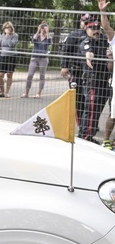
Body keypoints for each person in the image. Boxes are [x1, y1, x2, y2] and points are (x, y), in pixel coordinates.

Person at [78, 17, 111, 143]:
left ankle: (90, 135)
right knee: (90, 110)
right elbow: (88, 52)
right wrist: (89, 57)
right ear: (87, 29)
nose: (95, 31)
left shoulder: (103, 40)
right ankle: (85, 137)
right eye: (92, 28)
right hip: (93, 82)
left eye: (97, 28)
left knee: (97, 110)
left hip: (104, 81)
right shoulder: (86, 42)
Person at [61, 14, 93, 124]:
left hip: (91, 73)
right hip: (77, 71)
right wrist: (64, 66)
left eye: (89, 22)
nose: (86, 24)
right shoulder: (74, 35)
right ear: (81, 22)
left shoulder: (95, 35)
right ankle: (81, 123)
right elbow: (66, 50)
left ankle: (89, 123)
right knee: (78, 98)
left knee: (91, 100)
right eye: (85, 22)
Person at [21, 22, 52, 98]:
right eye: (42, 27)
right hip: (34, 57)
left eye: (44, 27)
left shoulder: (48, 37)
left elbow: (49, 42)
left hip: (43, 58)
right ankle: (26, 93)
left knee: (42, 75)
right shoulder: (37, 36)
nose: (43, 29)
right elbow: (33, 40)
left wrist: (47, 32)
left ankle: (39, 93)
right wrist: (38, 31)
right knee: (30, 75)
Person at [100, 0, 115, 149]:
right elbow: (105, 26)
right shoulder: (114, 39)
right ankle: (106, 140)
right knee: (114, 114)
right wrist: (102, 11)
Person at [0, 21, 18, 98]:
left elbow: (11, 45)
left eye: (9, 27)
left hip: (11, 56)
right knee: (0, 75)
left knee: (9, 74)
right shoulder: (2, 36)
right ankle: (2, 91)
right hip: (3, 56)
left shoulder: (15, 36)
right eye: (6, 27)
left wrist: (8, 36)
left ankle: (7, 92)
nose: (7, 29)